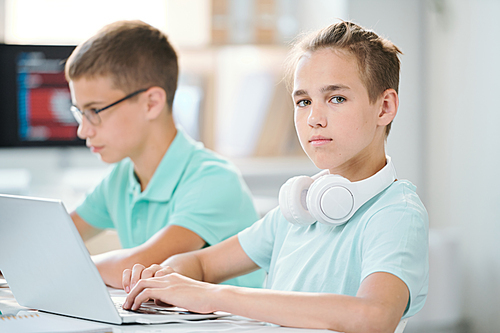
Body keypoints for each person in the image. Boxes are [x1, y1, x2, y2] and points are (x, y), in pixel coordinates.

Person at [121, 21, 429, 333]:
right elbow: (201, 264)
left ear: (385, 107)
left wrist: (214, 296)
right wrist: (163, 278)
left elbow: (373, 317)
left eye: (336, 98)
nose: (314, 119)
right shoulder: (300, 209)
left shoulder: (396, 212)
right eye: (304, 101)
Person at [65, 20, 264, 289]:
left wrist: (57, 265)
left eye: (94, 111)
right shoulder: (122, 178)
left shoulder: (214, 179)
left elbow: (137, 267)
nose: (83, 130)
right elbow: (55, 238)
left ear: (152, 103)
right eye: (79, 112)